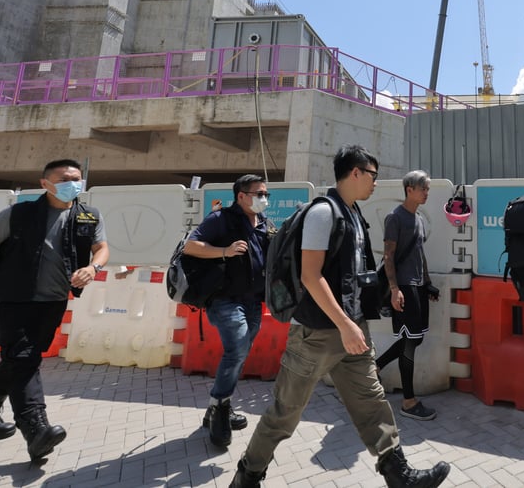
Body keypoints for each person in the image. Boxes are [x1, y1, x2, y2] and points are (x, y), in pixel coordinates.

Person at [229, 145, 450, 488]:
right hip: (315, 335)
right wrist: (345, 324)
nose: (376, 182)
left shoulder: (354, 215)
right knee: (284, 415)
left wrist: (357, 320)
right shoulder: (324, 213)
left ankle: (398, 473)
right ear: (356, 173)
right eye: (373, 175)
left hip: (351, 330)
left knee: (372, 401)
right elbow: (310, 276)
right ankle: (248, 475)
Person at [0, 159, 108, 461]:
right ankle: (35, 428)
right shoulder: (15, 215)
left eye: (77, 179)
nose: (72, 184)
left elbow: (102, 248)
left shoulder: (88, 215)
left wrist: (93, 267)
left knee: (17, 360)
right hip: (13, 299)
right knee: (24, 359)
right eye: (64, 179)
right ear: (45, 184)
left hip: (53, 301)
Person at [183, 174, 273, 448]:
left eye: (265, 194)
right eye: (258, 194)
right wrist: (224, 251)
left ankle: (216, 406)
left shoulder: (264, 224)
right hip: (224, 298)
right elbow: (191, 245)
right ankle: (221, 409)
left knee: (241, 350)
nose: (263, 199)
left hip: (253, 300)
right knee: (236, 348)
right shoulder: (221, 219)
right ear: (242, 196)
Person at [375, 170, 440, 421]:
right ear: (409, 189)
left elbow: (419, 255)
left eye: (428, 189)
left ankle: (376, 366)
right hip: (403, 287)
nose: (426, 193)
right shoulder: (395, 217)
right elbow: (389, 256)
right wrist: (394, 290)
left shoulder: (419, 219)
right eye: (423, 188)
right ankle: (409, 402)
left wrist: (428, 284)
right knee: (410, 343)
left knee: (415, 339)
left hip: (418, 286)